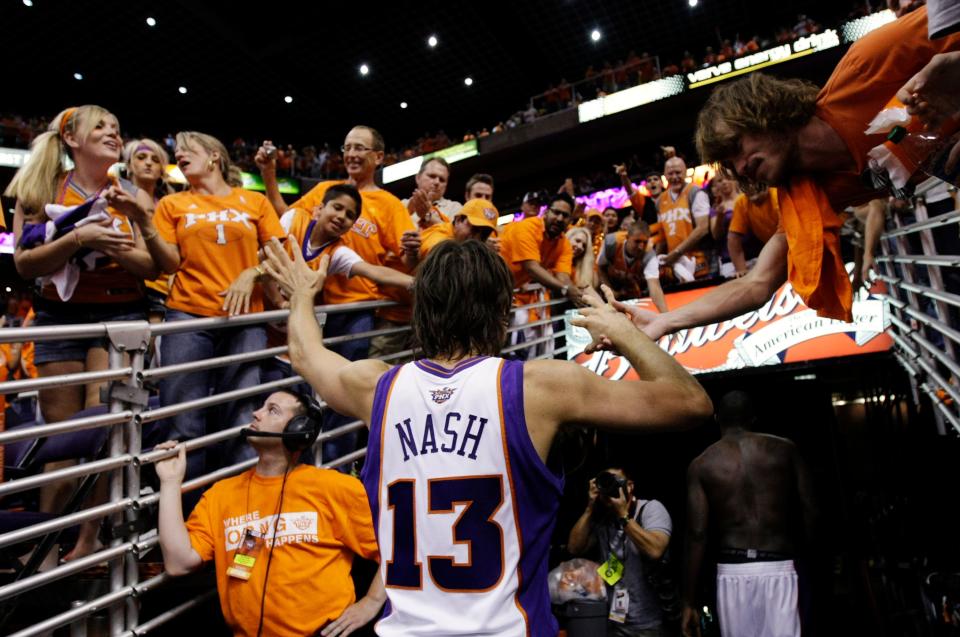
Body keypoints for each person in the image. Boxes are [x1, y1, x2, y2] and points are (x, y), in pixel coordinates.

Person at [261, 235, 712, 637]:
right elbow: (690, 404)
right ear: (503, 312)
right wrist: (622, 332)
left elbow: (304, 353)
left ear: (423, 310)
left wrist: (303, 294)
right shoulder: (539, 386)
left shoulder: (377, 387)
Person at [639, 7, 960, 342]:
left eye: (737, 145)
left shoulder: (866, 65)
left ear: (764, 112)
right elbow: (755, 284)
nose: (740, 166)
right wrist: (667, 321)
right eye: (730, 164)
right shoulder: (809, 192)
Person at [6, 105, 157, 559]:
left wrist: (116, 245)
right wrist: (78, 239)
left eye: (116, 127)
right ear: (72, 139)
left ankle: (89, 541)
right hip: (58, 318)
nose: (113, 133)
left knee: (100, 431)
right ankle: (48, 543)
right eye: (101, 128)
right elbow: (23, 263)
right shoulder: (39, 187)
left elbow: (153, 266)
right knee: (61, 441)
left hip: (118, 318)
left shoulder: (129, 192)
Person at [156, 391, 385, 637]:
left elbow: (399, 549)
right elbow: (178, 563)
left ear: (299, 428)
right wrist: (170, 482)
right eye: (261, 407)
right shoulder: (221, 495)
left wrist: (371, 602)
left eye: (272, 409)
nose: (256, 413)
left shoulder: (334, 488)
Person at [126, 131, 285, 481]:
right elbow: (168, 264)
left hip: (246, 318)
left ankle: (236, 510)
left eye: (188, 149)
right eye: (176, 151)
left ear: (214, 155)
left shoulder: (253, 202)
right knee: (182, 417)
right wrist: (145, 223)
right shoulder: (172, 205)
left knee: (242, 416)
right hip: (188, 314)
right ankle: (185, 512)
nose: (178, 154)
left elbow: (280, 256)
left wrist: (253, 272)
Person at [682, 391, 817, 637]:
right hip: (780, 565)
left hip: (732, 570)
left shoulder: (702, 464)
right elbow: (810, 510)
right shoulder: (785, 450)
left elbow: (697, 534)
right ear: (753, 418)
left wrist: (689, 601)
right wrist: (811, 569)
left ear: (716, 419)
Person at [568, 467, 673, 636]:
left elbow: (655, 550)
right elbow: (574, 547)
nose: (610, 488)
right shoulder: (603, 518)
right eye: (606, 483)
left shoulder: (650, 509)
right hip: (617, 622)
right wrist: (589, 507)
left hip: (652, 623)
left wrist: (623, 515)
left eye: (614, 482)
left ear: (629, 486)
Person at [499, 192, 582, 357]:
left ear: (570, 220)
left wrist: (576, 292)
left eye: (565, 215)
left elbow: (563, 276)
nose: (559, 218)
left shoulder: (564, 243)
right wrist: (567, 290)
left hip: (509, 294)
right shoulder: (527, 227)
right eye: (556, 212)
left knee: (506, 348)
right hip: (489, 285)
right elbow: (531, 268)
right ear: (546, 212)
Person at [655, 157, 710, 284]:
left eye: (678, 172)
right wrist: (656, 261)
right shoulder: (660, 201)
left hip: (699, 260)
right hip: (673, 264)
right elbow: (662, 235)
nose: (674, 177)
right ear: (665, 176)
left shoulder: (696, 192)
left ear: (685, 172)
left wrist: (677, 252)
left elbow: (703, 228)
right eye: (670, 173)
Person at [598, 222, 668, 312]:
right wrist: (609, 290)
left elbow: (655, 286)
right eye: (637, 241)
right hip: (612, 282)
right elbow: (600, 268)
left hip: (632, 286)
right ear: (627, 238)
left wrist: (665, 315)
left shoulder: (649, 254)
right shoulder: (611, 242)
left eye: (645, 242)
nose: (641, 246)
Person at [418, 198, 498, 258]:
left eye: (484, 235)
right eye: (474, 229)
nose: (478, 238)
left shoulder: (452, 228)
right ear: (459, 220)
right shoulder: (439, 246)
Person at [727, 187, 780, 278]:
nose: (751, 186)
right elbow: (734, 239)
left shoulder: (777, 195)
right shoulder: (742, 202)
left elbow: (785, 236)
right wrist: (741, 270)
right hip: (773, 251)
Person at [404, 157, 461, 228]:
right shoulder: (402, 205)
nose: (437, 182)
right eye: (432, 176)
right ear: (418, 178)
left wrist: (427, 215)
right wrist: (407, 212)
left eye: (442, 180)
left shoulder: (455, 208)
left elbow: (454, 236)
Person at [566, 225, 599, 292]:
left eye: (584, 245)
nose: (580, 247)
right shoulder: (553, 259)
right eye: (577, 241)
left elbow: (589, 291)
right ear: (568, 238)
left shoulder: (582, 268)